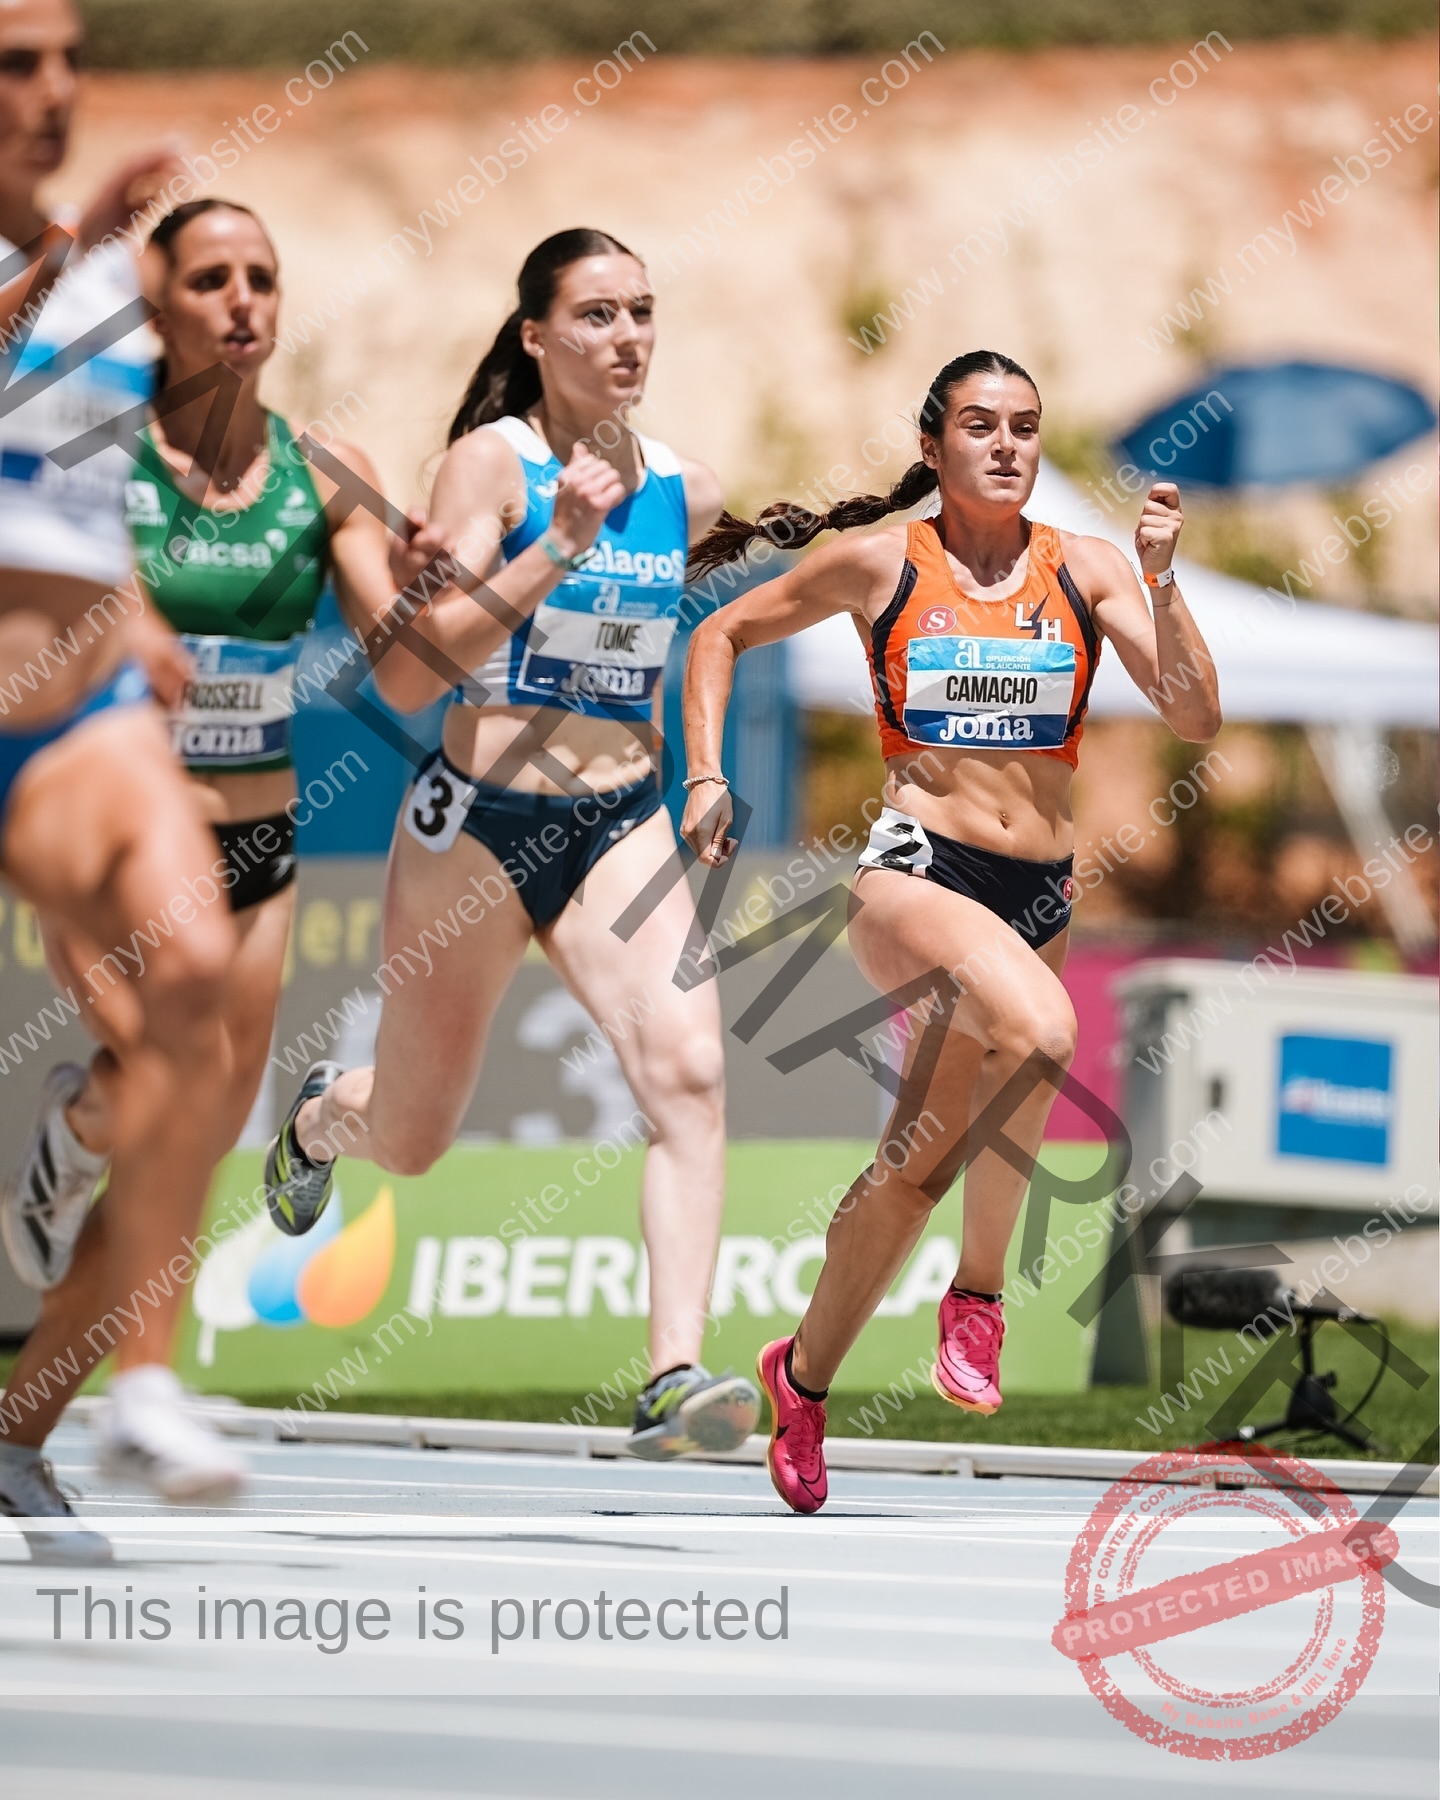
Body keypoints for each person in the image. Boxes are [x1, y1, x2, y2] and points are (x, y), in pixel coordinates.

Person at [680, 349, 1221, 1513]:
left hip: (1040, 887)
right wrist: (706, 774)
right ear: (933, 448)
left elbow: (1193, 714)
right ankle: (979, 1298)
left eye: (1025, 425)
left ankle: (804, 1377)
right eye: (980, 425)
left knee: (919, 1167)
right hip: (917, 873)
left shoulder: (1086, 567)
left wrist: (1165, 584)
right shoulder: (883, 562)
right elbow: (717, 636)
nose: (1008, 445)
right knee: (1039, 1025)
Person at [263, 228, 761, 1459]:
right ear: (534, 336)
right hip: (478, 823)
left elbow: (679, 648)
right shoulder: (492, 465)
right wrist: (554, 547)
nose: (627, 337)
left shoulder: (683, 488)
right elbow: (412, 669)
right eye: (595, 316)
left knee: (691, 1075)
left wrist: (699, 775)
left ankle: (673, 1374)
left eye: (641, 311)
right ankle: (326, 1115)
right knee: (418, 1140)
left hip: (618, 817)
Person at [3, 197, 432, 1291]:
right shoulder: (98, 453)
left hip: (258, 845)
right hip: (118, 829)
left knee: (200, 1125)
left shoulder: (326, 468)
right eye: (208, 279)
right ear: (156, 305)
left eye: (261, 277)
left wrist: (421, 593)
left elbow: (401, 657)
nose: (241, 299)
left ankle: (60, 1413)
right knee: (154, 1073)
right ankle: (78, 1140)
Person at [0, 0, 244, 1556]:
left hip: (75, 720)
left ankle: (100, 1391)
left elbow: (85, 485)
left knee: (196, 1000)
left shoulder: (104, 276)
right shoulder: (74, 260)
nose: (56, 90)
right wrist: (61, 248)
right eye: (17, 62)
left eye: (69, 60)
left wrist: (146, 609)